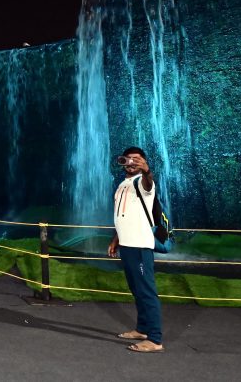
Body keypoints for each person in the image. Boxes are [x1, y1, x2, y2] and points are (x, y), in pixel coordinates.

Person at [106, 146, 164, 353]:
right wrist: (116, 239)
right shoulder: (124, 183)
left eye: (136, 160)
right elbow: (125, 215)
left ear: (143, 162)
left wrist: (147, 171)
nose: (131, 163)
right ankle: (142, 329)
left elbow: (148, 184)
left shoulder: (143, 181)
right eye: (127, 159)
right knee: (136, 289)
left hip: (139, 245)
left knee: (147, 291)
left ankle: (155, 339)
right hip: (127, 244)